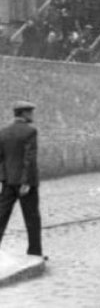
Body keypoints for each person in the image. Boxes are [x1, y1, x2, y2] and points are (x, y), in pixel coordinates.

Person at [0, 100, 44, 258]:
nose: (32, 115)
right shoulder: (30, 131)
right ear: (24, 114)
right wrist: (25, 182)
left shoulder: (3, 132)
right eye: (30, 112)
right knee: (32, 218)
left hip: (7, 182)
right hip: (26, 184)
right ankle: (35, 252)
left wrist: (3, 178)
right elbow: (29, 159)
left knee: (1, 215)